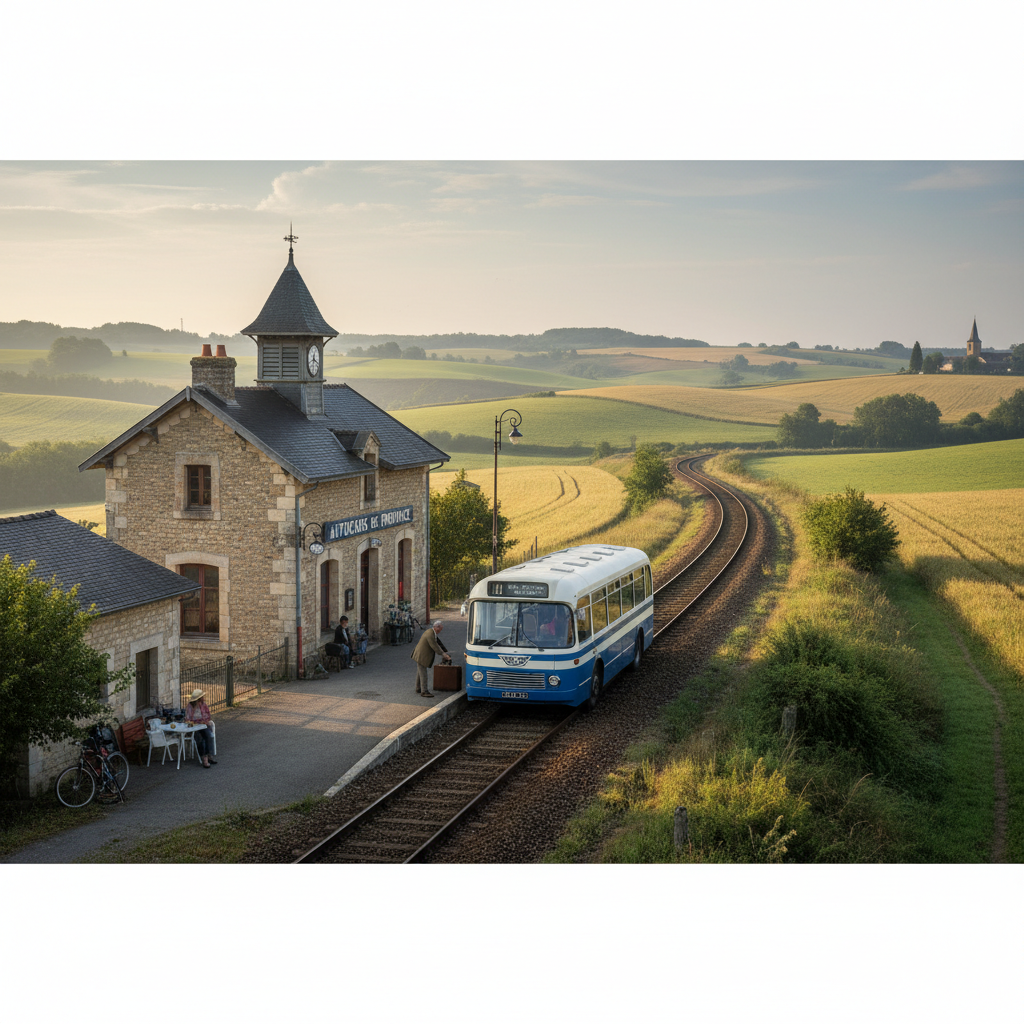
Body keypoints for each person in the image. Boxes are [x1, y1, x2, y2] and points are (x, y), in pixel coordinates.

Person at [411, 620, 451, 698]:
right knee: (423, 674)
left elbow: (438, 642)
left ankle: (418, 688)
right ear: (437, 627)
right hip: (421, 655)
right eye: (440, 629)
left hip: (419, 654)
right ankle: (424, 691)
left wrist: (445, 651)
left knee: (420, 672)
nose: (440, 631)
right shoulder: (430, 634)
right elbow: (435, 646)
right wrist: (443, 655)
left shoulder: (431, 632)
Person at [184, 688, 216, 768]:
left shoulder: (204, 705)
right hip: (194, 727)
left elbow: (208, 715)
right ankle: (204, 758)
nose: (203, 698)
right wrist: (195, 721)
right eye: (202, 697)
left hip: (203, 725)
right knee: (200, 739)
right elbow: (187, 719)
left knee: (208, 736)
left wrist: (204, 721)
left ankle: (209, 755)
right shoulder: (190, 706)